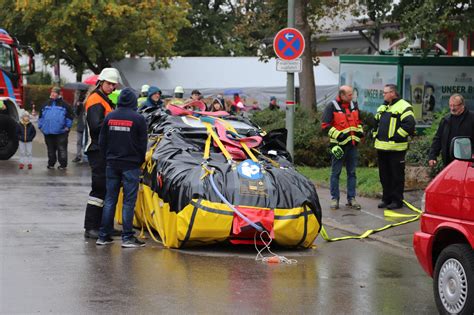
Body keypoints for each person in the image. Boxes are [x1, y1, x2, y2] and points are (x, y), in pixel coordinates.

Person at [96, 88, 147, 248]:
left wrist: (106, 158)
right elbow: (142, 144)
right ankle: (127, 237)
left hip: (112, 163)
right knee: (128, 202)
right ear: (133, 101)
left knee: (110, 199)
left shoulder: (110, 116)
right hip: (130, 165)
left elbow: (102, 140)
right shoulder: (138, 119)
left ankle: (103, 236)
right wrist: (139, 161)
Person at [83, 67, 122, 239]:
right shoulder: (95, 100)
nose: (112, 87)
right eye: (109, 84)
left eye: (113, 85)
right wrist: (113, 121)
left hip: (104, 149)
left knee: (107, 189)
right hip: (97, 149)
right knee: (99, 189)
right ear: (101, 82)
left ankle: (105, 225)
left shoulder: (104, 99)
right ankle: (91, 227)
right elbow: (95, 127)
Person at [374, 84, 416, 210]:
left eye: (385, 92)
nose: (383, 95)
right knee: (384, 175)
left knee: (396, 176)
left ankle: (397, 201)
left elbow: (409, 125)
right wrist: (375, 134)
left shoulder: (404, 106)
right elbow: (376, 122)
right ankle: (386, 199)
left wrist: (396, 137)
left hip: (396, 149)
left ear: (392, 93)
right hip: (382, 148)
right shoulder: (383, 107)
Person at [322, 85, 364, 210]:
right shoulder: (332, 107)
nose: (352, 96)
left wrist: (360, 132)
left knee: (352, 173)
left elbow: (358, 123)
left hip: (352, 146)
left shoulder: (353, 105)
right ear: (342, 95)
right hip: (338, 147)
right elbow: (325, 126)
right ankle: (335, 199)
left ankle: (352, 198)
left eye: (352, 94)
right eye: (350, 94)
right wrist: (339, 136)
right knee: (336, 173)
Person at [428, 94, 474, 169]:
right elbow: (438, 139)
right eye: (450, 105)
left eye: (455, 105)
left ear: (462, 105)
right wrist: (432, 156)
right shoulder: (446, 120)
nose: (452, 108)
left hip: (468, 163)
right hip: (448, 163)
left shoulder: (472, 118)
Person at [38, 86, 73, 170]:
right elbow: (40, 116)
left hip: (61, 132)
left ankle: (63, 165)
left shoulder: (65, 105)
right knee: (50, 150)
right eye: (52, 92)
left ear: (59, 94)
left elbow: (70, 117)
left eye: (55, 93)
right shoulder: (45, 104)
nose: (53, 94)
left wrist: (67, 127)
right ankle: (51, 164)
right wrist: (41, 126)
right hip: (48, 132)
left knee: (62, 149)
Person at [72, 90, 87, 163]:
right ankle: (78, 156)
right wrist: (78, 106)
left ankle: (84, 157)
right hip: (80, 125)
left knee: (84, 143)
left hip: (87, 126)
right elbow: (76, 114)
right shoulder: (79, 102)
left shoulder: (89, 102)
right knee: (79, 142)